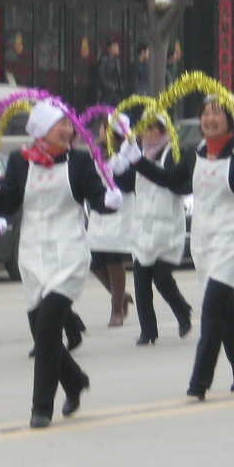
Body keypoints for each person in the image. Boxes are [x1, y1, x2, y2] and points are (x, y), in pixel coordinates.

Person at [0, 99, 121, 426]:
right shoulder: (20, 162)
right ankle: (75, 381)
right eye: (60, 124)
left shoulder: (80, 162)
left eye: (69, 124)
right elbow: (10, 200)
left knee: (47, 324)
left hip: (68, 253)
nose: (68, 129)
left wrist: (109, 201)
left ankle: (41, 407)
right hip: (32, 255)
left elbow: (96, 196)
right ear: (41, 130)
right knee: (40, 330)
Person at [134, 95, 234, 399]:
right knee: (226, 311)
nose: (210, 119)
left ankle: (199, 381)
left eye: (217, 114)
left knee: (211, 309)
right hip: (203, 242)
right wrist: (137, 162)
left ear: (230, 120)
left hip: (233, 241)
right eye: (205, 114)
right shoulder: (192, 154)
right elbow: (172, 182)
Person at [117, 116, 190, 346]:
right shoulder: (139, 155)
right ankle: (148, 330)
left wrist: (139, 163)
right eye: (143, 129)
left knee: (162, 278)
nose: (146, 133)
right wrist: (116, 168)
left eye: (151, 128)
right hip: (144, 227)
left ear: (163, 130)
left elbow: (171, 181)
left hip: (168, 227)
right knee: (141, 279)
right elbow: (128, 185)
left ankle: (182, 311)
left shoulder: (173, 153)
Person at [87, 115, 135, 327]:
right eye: (102, 127)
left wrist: (118, 168)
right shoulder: (95, 150)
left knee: (114, 257)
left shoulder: (129, 149)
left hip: (121, 209)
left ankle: (117, 310)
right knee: (94, 260)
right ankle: (121, 296)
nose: (102, 132)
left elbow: (131, 182)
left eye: (107, 128)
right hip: (100, 206)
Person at [94, 38, 126, 107]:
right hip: (106, 91)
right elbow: (101, 76)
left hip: (117, 91)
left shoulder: (117, 61)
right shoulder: (104, 60)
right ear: (109, 49)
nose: (117, 49)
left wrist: (121, 86)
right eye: (115, 47)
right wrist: (111, 87)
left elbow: (119, 75)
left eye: (117, 47)